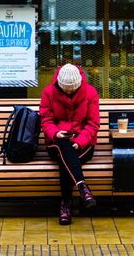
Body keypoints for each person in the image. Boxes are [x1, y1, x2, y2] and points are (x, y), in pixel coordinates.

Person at [39, 63, 100, 225]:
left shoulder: (91, 93)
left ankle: (66, 204)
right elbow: (45, 120)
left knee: (65, 159)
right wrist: (55, 133)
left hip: (83, 144)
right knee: (63, 146)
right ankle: (82, 188)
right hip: (57, 142)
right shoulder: (48, 92)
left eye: (72, 88)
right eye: (65, 88)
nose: (68, 91)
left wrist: (79, 143)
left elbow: (93, 124)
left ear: (78, 84)